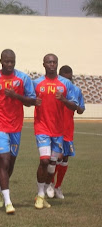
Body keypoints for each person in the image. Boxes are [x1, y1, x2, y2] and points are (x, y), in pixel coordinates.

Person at [0, 49, 36, 214]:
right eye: (6, 61)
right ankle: (8, 202)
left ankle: (0, 190)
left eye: (12, 61)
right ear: (1, 61)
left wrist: (16, 96)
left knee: (10, 164)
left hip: (15, 127)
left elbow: (31, 101)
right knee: (4, 160)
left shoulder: (23, 78)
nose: (9, 64)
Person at [33, 54, 78, 209]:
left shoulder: (66, 84)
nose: (52, 64)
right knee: (44, 160)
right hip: (42, 128)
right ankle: (40, 194)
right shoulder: (36, 83)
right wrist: (33, 101)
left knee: (52, 165)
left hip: (58, 131)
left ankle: (44, 192)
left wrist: (64, 100)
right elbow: (28, 101)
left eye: (54, 62)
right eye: (49, 62)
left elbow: (75, 106)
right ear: (44, 64)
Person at [46, 65, 85, 199]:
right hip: (54, 129)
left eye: (70, 78)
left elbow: (80, 109)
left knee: (65, 159)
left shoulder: (76, 91)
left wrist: (78, 108)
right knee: (55, 158)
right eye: (65, 78)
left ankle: (58, 186)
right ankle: (50, 184)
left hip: (68, 130)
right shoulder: (54, 88)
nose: (68, 81)